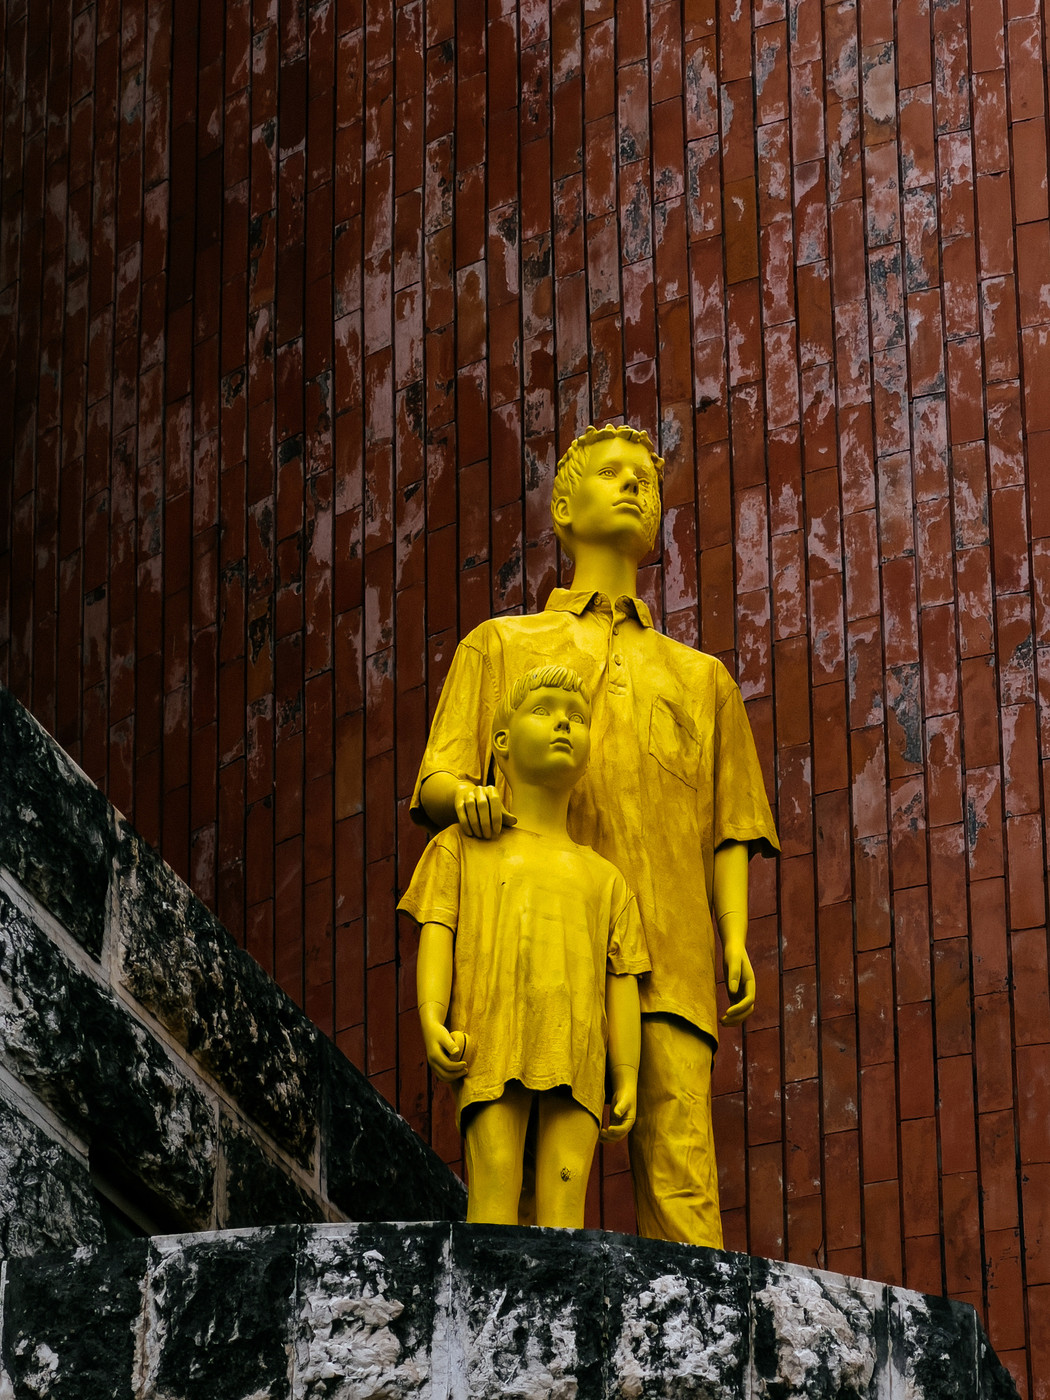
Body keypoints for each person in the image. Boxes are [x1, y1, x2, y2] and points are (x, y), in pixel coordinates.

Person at [411, 424, 779, 1247]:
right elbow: (437, 780)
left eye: (646, 479)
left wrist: (734, 936)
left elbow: (730, 824)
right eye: (611, 474)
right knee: (524, 1155)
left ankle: (696, 1355)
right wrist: (466, 798)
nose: (634, 487)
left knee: (681, 1170)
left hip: (673, 953)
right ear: (563, 507)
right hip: (535, 940)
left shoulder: (703, 680)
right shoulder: (503, 645)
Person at [398, 664, 650, 1228]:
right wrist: (431, 1019)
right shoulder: (459, 850)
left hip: (578, 1055)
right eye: (545, 711)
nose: (564, 724)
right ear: (502, 744)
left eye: (578, 718)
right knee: (493, 1190)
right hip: (492, 1041)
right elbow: (437, 932)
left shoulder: (606, 879)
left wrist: (626, 1073)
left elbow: (622, 979)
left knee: (566, 1205)